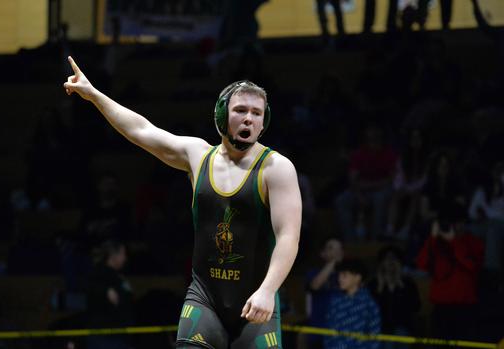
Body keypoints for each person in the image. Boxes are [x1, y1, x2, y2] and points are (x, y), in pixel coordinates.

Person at [64, 56, 302, 348]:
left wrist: (268, 290)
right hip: (205, 300)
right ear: (220, 116)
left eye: (256, 113)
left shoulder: (277, 168)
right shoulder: (198, 156)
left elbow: (288, 236)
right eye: (240, 110)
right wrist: (94, 95)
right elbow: (142, 131)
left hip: (257, 299)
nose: (249, 119)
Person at [416, 207, 484, 340]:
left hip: (465, 307)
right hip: (441, 307)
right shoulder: (436, 242)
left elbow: (472, 266)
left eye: (456, 222)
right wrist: (433, 238)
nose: (452, 226)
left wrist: (453, 241)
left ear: (464, 223)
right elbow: (422, 264)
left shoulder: (474, 242)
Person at [369, 246, 420, 349]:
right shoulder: (373, 284)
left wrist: (401, 287)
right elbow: (368, 311)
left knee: (399, 334)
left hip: (402, 328)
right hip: (379, 328)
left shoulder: (407, 283)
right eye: (387, 259)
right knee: (388, 342)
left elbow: (416, 306)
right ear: (381, 263)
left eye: (394, 259)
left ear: (400, 263)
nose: (390, 262)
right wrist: (380, 289)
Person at [323, 259, 381, 349]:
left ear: (358, 277)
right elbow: (328, 331)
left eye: (344, 275)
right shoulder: (335, 301)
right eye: (339, 275)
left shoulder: (369, 303)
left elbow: (374, 334)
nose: (339, 278)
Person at [304, 237, 344, 348]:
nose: (337, 251)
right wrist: (333, 262)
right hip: (318, 330)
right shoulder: (313, 273)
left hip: (339, 333)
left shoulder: (345, 275)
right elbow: (315, 285)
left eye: (339, 248)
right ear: (322, 253)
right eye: (331, 248)